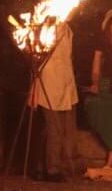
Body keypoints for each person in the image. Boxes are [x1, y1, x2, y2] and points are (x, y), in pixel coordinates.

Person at [30, 21, 79, 181]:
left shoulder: (67, 28)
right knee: (54, 130)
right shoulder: (47, 29)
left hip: (66, 81)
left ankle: (63, 166)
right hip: (50, 81)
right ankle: (52, 170)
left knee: (67, 129)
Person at [83, 10, 112, 169]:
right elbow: (96, 68)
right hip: (104, 82)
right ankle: (111, 157)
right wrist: (96, 83)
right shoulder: (101, 43)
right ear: (109, 26)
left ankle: (111, 161)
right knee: (96, 107)